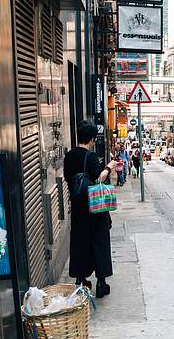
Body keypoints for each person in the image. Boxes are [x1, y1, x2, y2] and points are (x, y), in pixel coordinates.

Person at [63, 120, 116, 298]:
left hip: (78, 208)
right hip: (95, 207)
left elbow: (68, 178)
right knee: (99, 241)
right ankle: (101, 282)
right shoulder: (91, 156)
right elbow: (98, 179)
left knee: (80, 242)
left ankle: (80, 279)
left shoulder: (69, 156)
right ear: (92, 139)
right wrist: (109, 167)